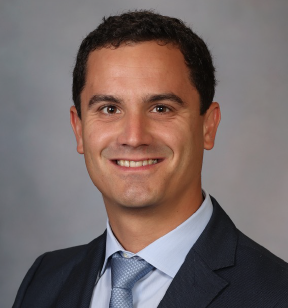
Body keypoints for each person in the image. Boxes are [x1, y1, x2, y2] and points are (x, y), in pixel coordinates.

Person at [13, 10, 288, 308]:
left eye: (161, 108)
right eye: (109, 109)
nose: (134, 137)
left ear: (208, 126)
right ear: (79, 129)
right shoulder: (44, 281)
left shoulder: (276, 292)